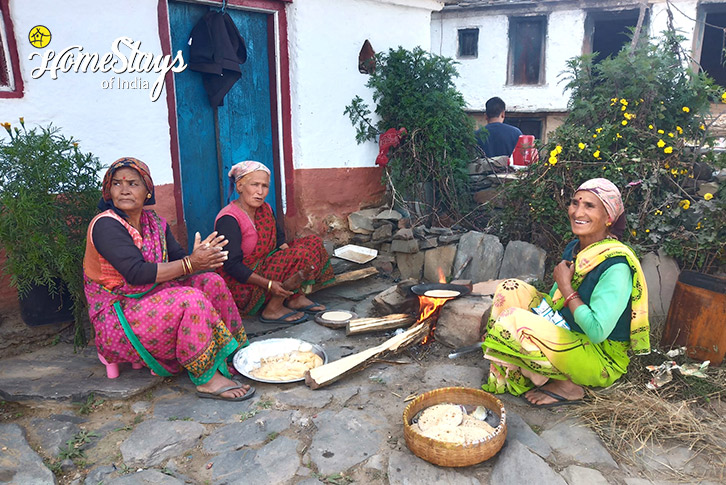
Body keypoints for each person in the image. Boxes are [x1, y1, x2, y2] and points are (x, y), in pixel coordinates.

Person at [84, 157, 254, 401]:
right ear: (108, 191)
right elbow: (136, 273)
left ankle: (232, 356)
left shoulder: (154, 223)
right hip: (118, 312)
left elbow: (178, 260)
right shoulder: (105, 226)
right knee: (190, 299)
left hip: (155, 296)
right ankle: (207, 378)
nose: (124, 190)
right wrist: (190, 263)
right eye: (116, 184)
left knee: (211, 281)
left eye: (133, 183)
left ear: (147, 191)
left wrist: (202, 258)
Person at [481, 178, 650, 407]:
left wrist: (566, 288)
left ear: (609, 218)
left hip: (599, 356)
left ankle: (568, 386)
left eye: (590, 206)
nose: (577, 211)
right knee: (511, 289)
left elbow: (597, 331)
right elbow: (554, 302)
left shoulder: (616, 266)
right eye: (575, 203)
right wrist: (537, 320)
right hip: (568, 330)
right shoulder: (575, 247)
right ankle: (529, 371)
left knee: (514, 321)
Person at [214, 161, 335, 324]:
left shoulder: (266, 209)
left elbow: (279, 239)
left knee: (312, 243)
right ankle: (273, 308)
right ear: (240, 187)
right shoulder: (228, 219)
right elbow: (232, 266)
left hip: (266, 263)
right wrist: (270, 283)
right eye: (254, 185)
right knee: (297, 255)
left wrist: (291, 258)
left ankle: (295, 297)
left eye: (264, 186)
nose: (260, 192)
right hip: (241, 281)